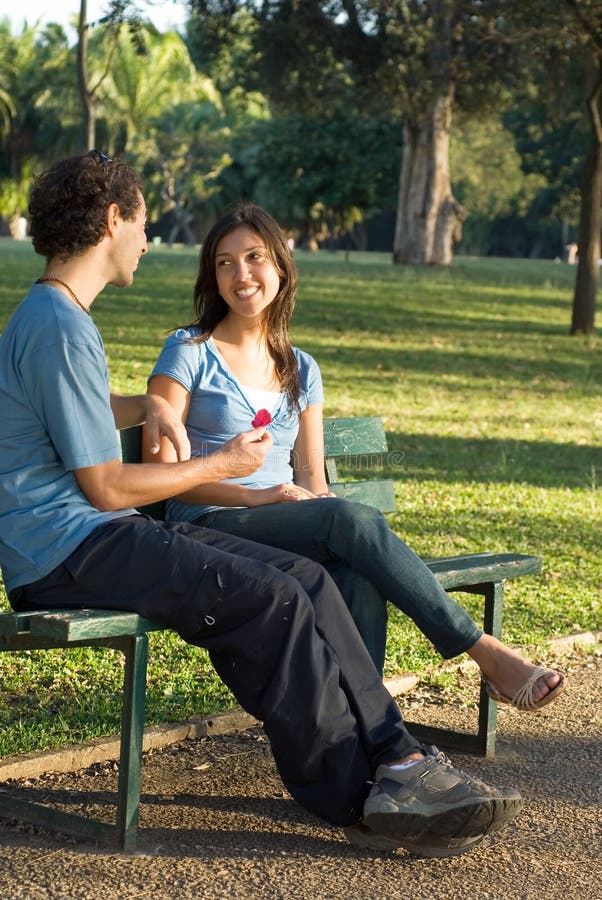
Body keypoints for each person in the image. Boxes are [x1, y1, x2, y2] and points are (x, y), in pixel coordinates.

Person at [0, 152, 524, 861]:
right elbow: (104, 487)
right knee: (272, 599)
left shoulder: (58, 318)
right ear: (113, 219)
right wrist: (221, 463)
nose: (148, 241)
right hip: (66, 552)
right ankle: (357, 798)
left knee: (304, 579)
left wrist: (145, 401)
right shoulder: (60, 325)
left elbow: (75, 415)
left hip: (94, 540)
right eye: (144, 222)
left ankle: (399, 761)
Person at [146, 201, 565, 712]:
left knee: (359, 573)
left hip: (285, 519)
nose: (241, 274)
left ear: (280, 264)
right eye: (225, 263)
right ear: (212, 277)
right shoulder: (188, 351)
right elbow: (162, 478)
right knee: (352, 522)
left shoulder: (301, 368)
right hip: (210, 523)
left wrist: (306, 504)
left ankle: (364, 738)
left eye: (254, 257)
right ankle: (484, 652)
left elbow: (310, 476)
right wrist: (258, 500)